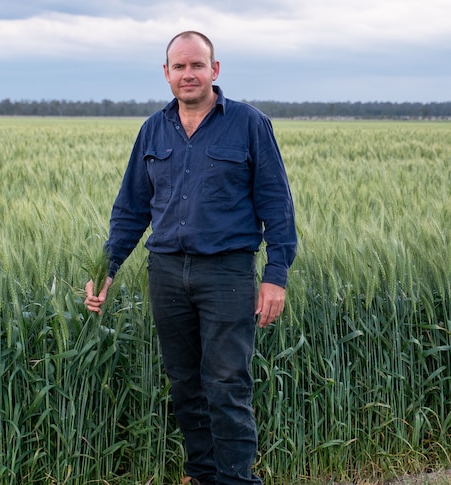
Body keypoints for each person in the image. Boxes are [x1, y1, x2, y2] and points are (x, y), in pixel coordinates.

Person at [84, 31, 297, 485]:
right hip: (165, 272)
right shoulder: (153, 129)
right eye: (178, 67)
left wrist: (275, 275)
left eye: (197, 65)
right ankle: (201, 475)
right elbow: (130, 209)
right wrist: (107, 268)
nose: (188, 74)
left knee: (226, 384)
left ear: (214, 70)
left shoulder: (248, 123)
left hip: (227, 273)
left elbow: (277, 205)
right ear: (166, 74)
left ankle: (237, 480)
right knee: (184, 383)